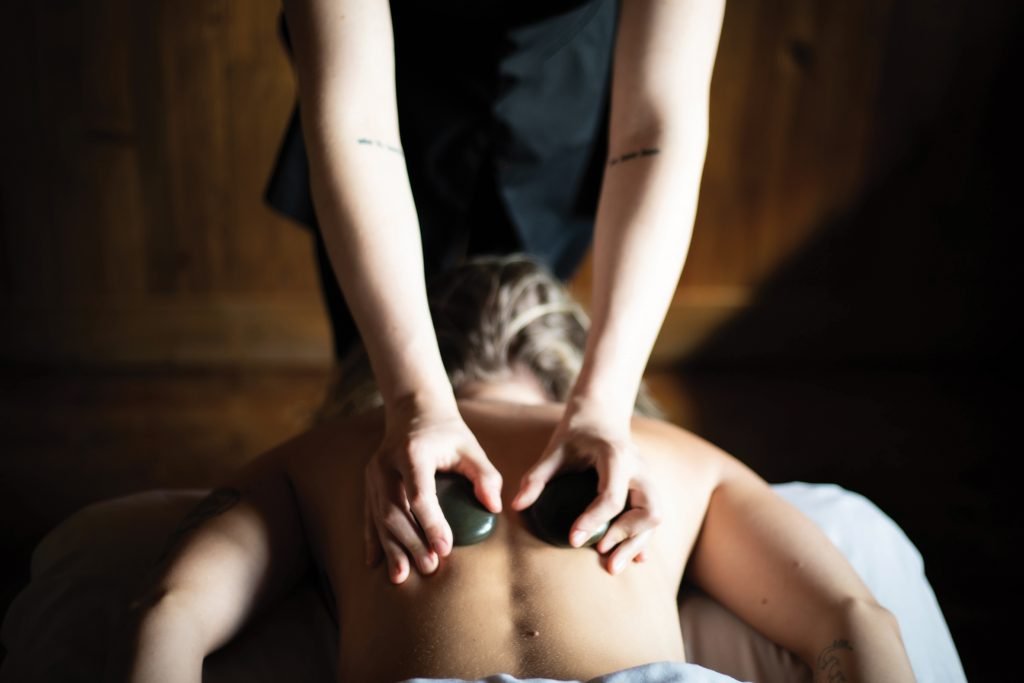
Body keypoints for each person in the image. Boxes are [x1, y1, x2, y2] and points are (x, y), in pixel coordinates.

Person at [106, 256, 914, 683]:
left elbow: (169, 616)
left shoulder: (327, 456)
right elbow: (854, 621)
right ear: (564, 374)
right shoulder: (672, 458)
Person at [264, 0, 728, 583]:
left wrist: (604, 403)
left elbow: (655, 127)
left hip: (562, 83)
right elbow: (355, 119)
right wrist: (411, 403)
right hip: (391, 85)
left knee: (523, 325)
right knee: (377, 359)